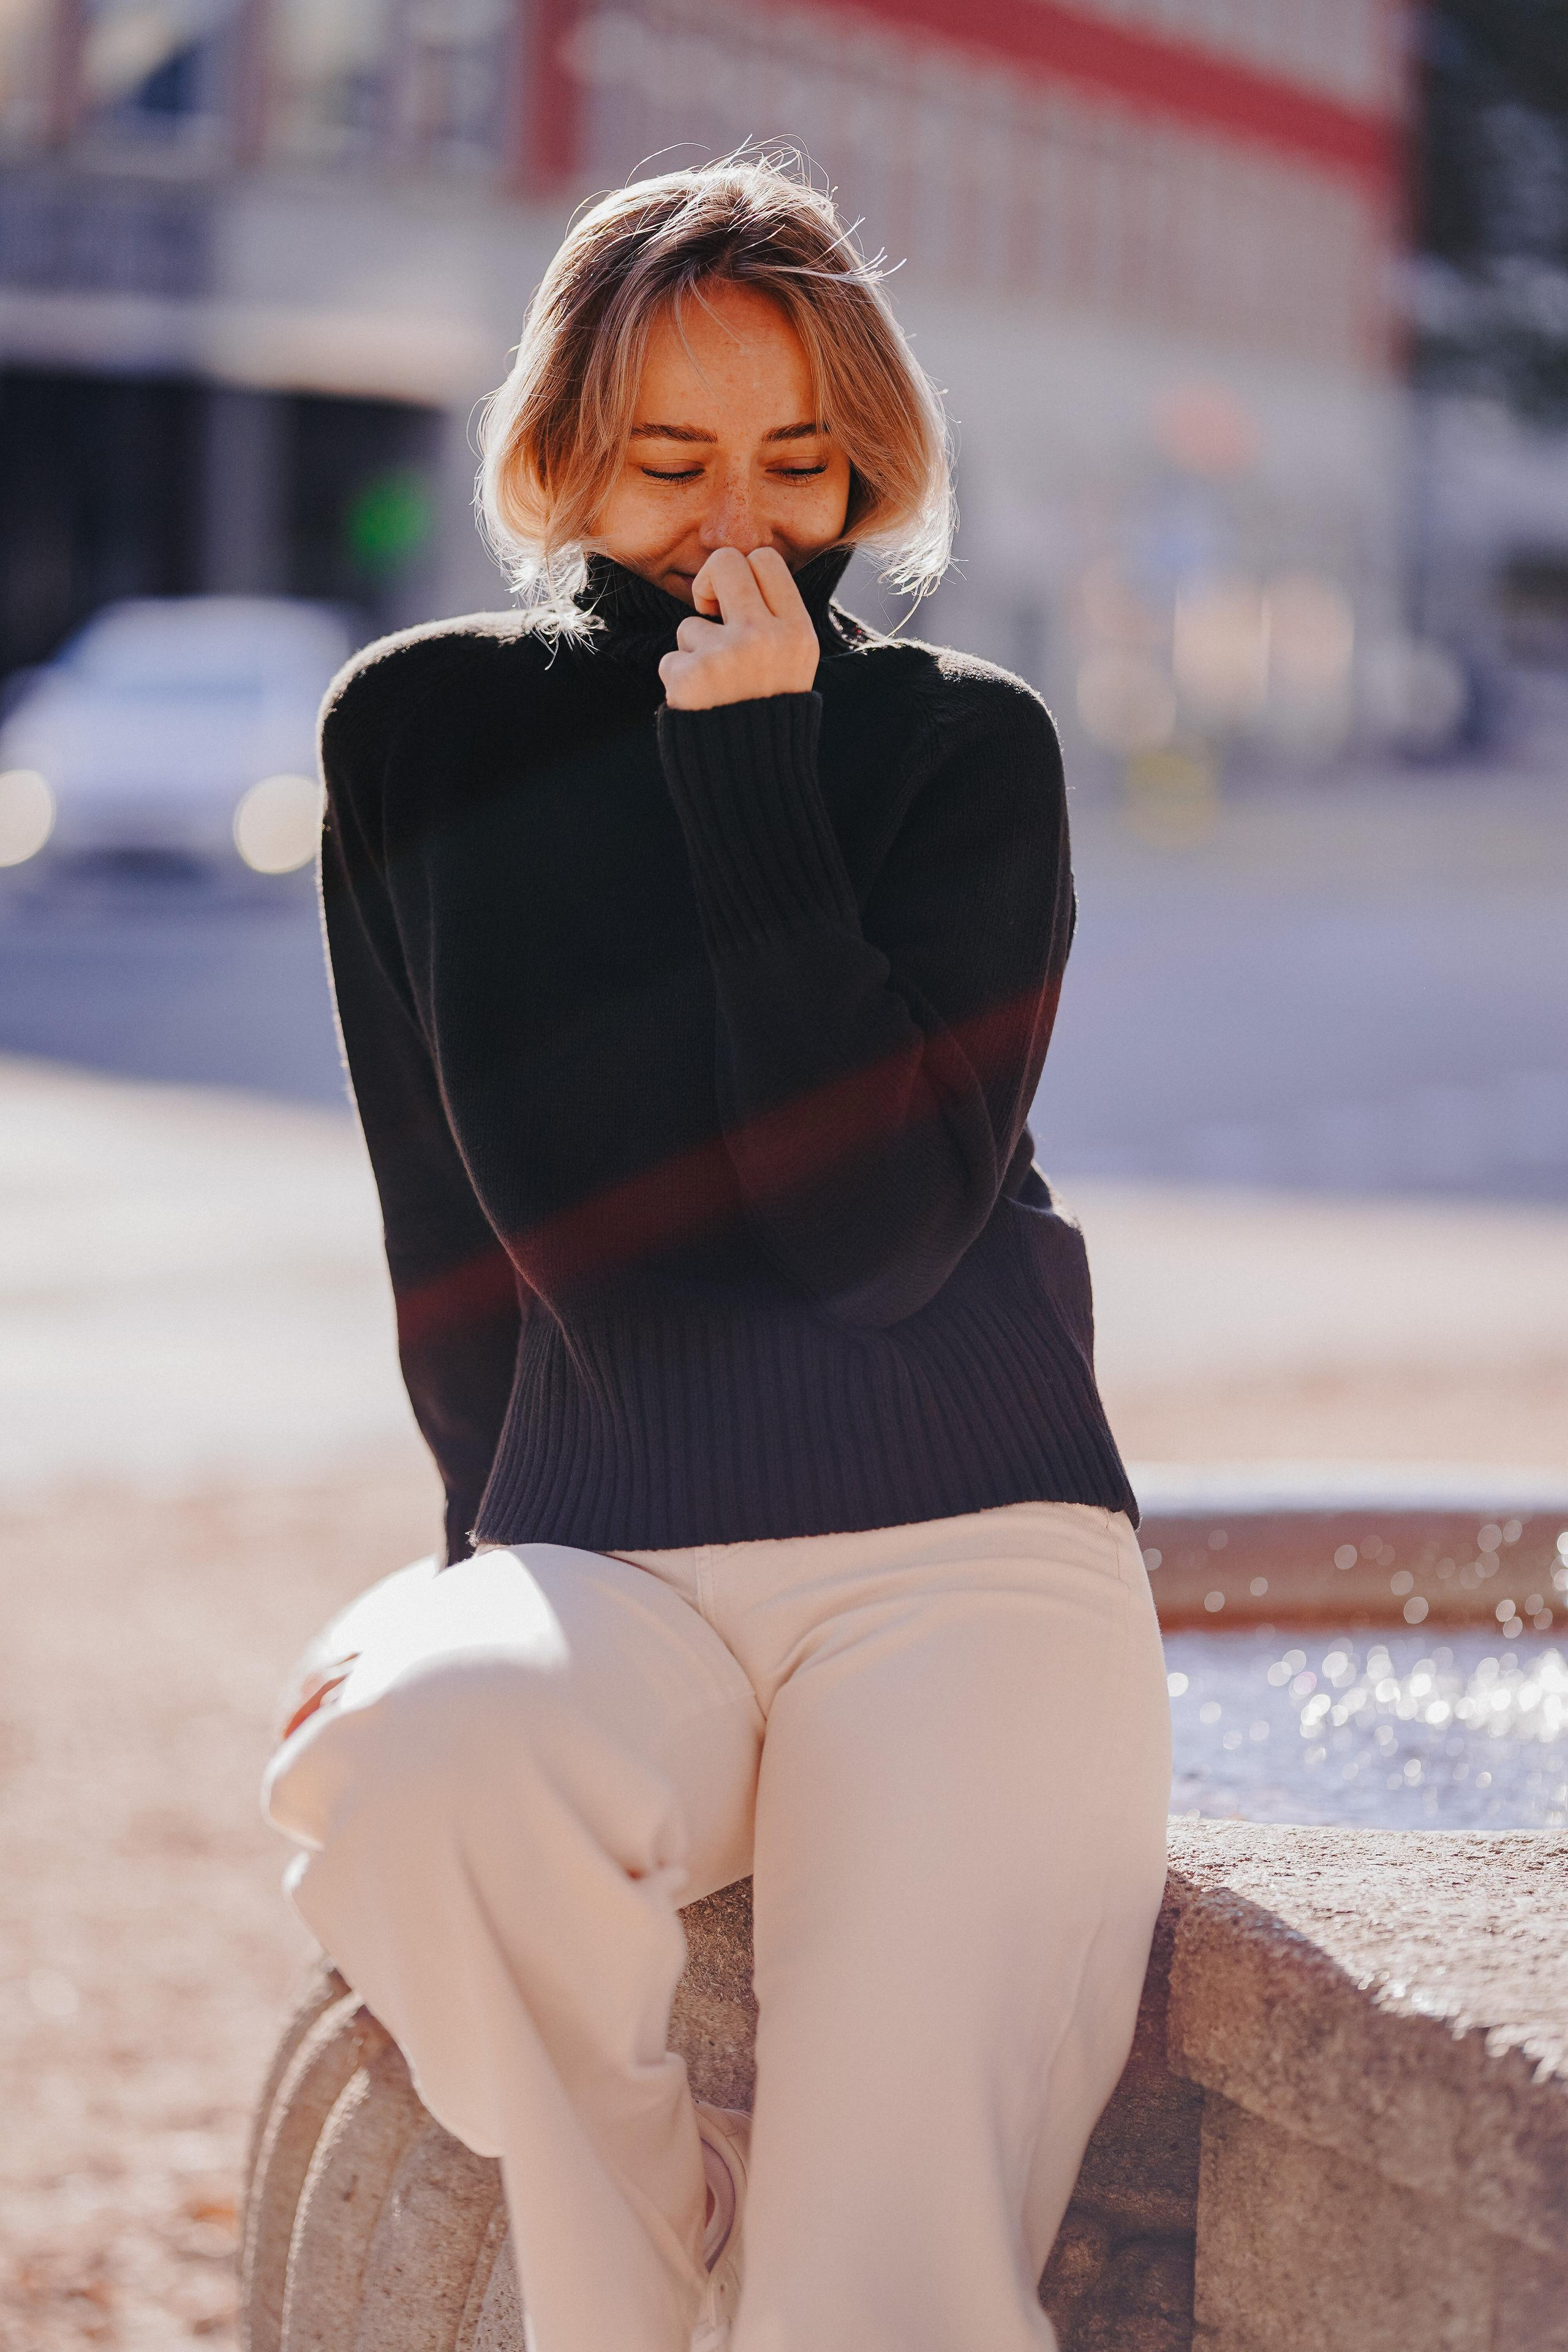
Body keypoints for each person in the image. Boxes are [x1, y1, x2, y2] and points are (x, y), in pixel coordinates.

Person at [264, 155, 1170, 2352]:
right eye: (669, 464)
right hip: (618, 1567)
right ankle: (644, 2255)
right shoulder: (418, 732)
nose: (737, 528)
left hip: (973, 1555)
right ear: (563, 454)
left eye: (800, 463)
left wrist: (755, 773)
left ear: (874, 461)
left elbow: (875, 1246)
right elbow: (443, 1223)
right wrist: (478, 1564)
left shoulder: (963, 749)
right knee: (413, 1752)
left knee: (879, 2297)